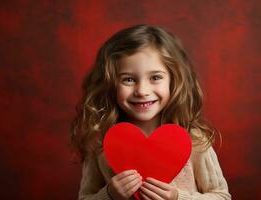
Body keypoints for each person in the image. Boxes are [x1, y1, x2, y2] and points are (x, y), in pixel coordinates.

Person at [71, 24, 231, 200]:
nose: (142, 91)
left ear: (174, 80)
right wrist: (109, 195)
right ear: (110, 83)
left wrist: (178, 198)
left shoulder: (195, 140)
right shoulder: (100, 143)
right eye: (128, 79)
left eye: (155, 77)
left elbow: (222, 196)